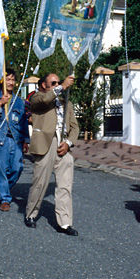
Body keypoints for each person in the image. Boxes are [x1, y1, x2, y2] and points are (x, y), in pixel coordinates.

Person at [24, 73, 80, 235]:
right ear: (43, 85)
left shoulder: (65, 102)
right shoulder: (37, 98)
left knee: (65, 186)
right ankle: (31, 214)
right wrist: (62, 86)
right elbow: (43, 101)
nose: (57, 85)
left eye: (58, 82)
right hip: (45, 144)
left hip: (63, 145)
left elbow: (75, 127)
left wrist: (68, 143)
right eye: (53, 83)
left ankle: (64, 223)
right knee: (40, 183)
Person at [0, 69, 29, 211]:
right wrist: (0, 103)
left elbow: (24, 121)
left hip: (16, 139)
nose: (11, 82)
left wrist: (26, 139)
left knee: (17, 168)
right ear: (2, 81)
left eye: (13, 79)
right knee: (1, 169)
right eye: (7, 79)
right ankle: (5, 199)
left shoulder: (19, 101)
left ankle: (4, 187)